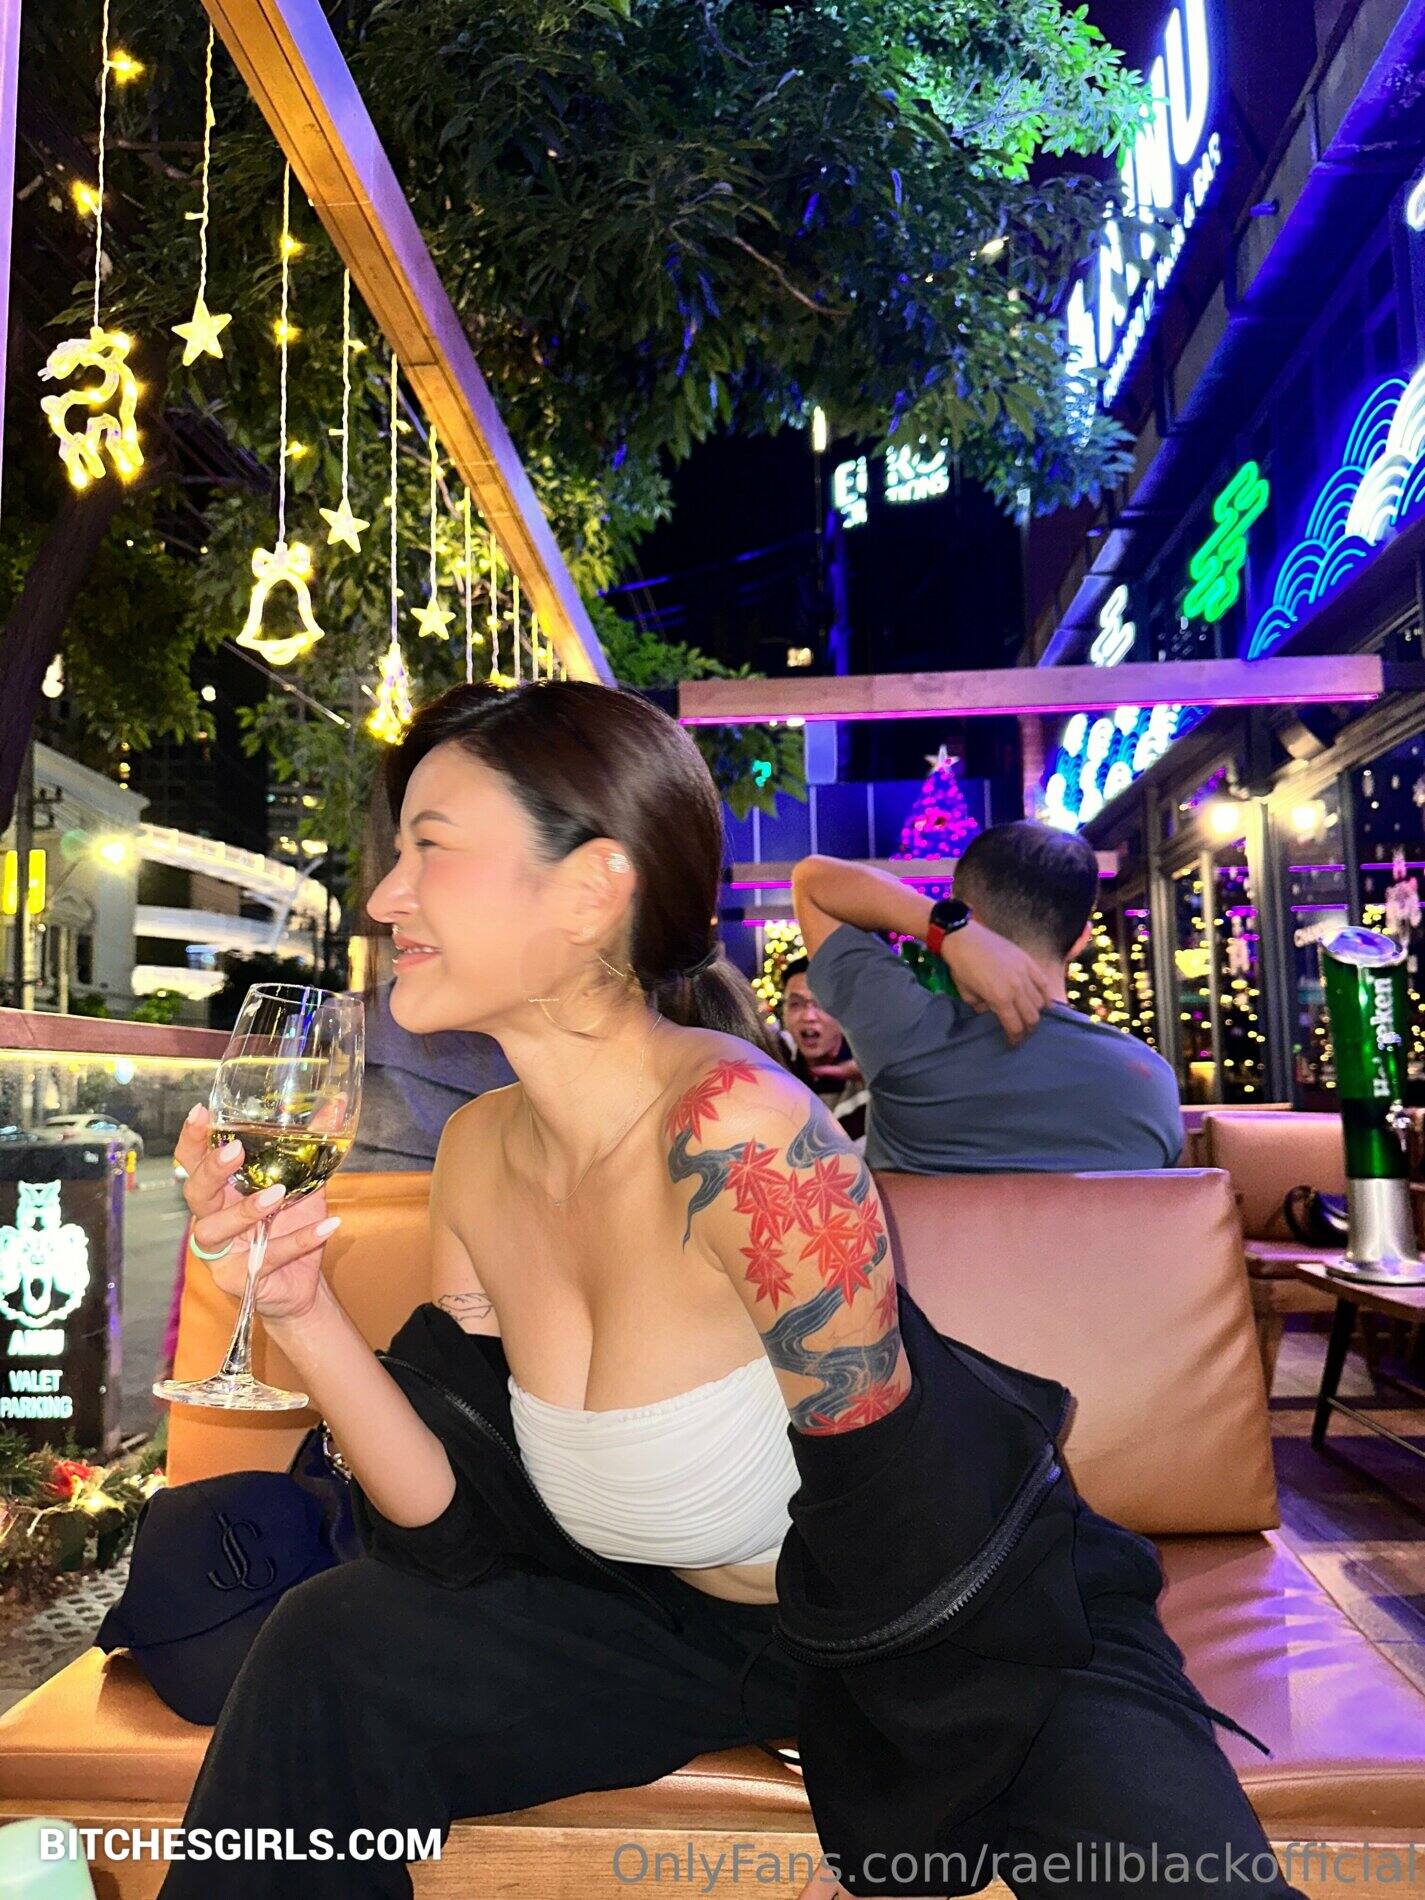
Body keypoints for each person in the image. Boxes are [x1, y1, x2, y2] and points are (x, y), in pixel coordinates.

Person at [159, 682, 1300, 1900]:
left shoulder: (737, 1130)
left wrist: (886, 1766)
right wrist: (298, 1309)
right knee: (329, 1642)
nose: (387, 898)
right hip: (669, 1624)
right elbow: (454, 1523)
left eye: (429, 850)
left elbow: (901, 1506)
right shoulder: (479, 1153)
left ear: (593, 888)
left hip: (957, 1613)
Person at [791, 823, 1183, 1176]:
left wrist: (947, 930)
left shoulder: (906, 1034)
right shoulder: (1151, 1084)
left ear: (969, 919)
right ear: (1082, 937)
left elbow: (811, 884)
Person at [779, 955, 868, 1146]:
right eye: (795, 1004)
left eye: (821, 1003)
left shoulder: (871, 1072)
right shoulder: (774, 1069)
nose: (808, 1016)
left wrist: (871, 1074)